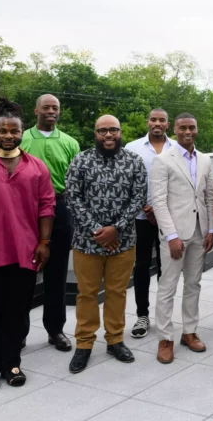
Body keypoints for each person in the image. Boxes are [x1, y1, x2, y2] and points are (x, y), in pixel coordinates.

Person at [0, 99, 54, 392]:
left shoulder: (36, 167)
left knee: (16, 311)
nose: (8, 135)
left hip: (25, 251)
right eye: (2, 130)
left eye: (14, 131)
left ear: (22, 132)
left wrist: (44, 242)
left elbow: (46, 206)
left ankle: (11, 363)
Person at [65, 115, 147, 374]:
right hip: (86, 242)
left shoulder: (134, 161)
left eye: (113, 130)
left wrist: (116, 230)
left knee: (117, 292)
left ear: (120, 132)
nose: (108, 135)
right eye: (103, 131)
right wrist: (97, 230)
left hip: (123, 242)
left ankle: (115, 340)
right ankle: (85, 344)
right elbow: (72, 197)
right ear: (95, 134)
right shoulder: (81, 160)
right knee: (86, 294)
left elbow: (139, 198)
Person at [151, 114, 213, 363]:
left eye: (192, 127)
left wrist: (210, 231)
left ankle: (189, 332)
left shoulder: (204, 159)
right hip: (175, 235)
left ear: (196, 130)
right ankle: (165, 338)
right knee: (167, 287)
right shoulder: (162, 160)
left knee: (193, 284)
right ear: (174, 130)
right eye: (183, 128)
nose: (188, 131)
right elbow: (158, 200)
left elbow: (209, 196)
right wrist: (172, 235)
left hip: (200, 232)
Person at [20, 94, 80, 352]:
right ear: (36, 110)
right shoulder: (21, 139)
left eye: (55, 108)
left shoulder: (69, 142)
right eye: (46, 107)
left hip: (60, 207)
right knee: (24, 274)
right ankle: (18, 331)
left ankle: (55, 330)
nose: (51, 111)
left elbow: (77, 182)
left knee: (56, 273)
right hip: (25, 210)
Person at [124, 108, 176, 339]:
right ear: (148, 122)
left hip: (170, 218)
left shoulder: (178, 149)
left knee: (168, 268)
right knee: (142, 266)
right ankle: (142, 315)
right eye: (153, 119)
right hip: (141, 218)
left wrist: (161, 207)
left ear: (167, 124)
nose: (157, 123)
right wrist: (145, 206)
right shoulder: (132, 148)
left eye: (161, 120)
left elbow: (181, 184)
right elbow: (127, 183)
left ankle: (164, 315)